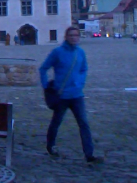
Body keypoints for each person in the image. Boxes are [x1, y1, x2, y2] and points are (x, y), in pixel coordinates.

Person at [39, 26, 103, 164]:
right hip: (61, 96)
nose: (74, 37)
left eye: (76, 35)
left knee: (84, 124)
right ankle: (50, 145)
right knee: (56, 123)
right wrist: (46, 86)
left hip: (76, 95)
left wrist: (80, 82)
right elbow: (43, 68)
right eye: (71, 35)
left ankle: (89, 154)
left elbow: (84, 69)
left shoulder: (80, 53)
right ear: (66, 37)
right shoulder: (57, 52)